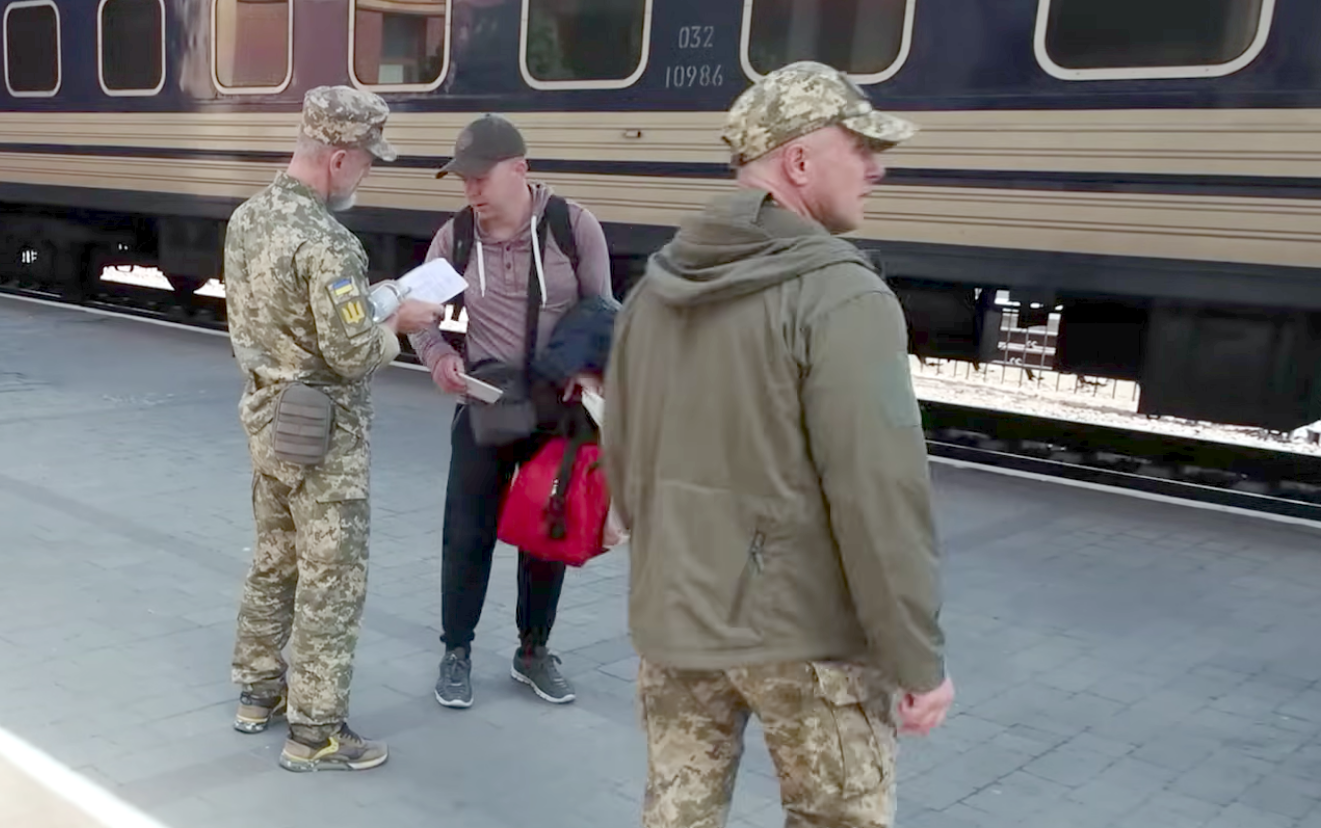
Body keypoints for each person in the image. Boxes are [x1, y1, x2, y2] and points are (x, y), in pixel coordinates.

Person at [602, 61, 956, 827]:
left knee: (678, 816)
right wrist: (916, 657)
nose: (877, 169)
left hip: (677, 619)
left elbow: (623, 461)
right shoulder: (842, 296)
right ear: (798, 161)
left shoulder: (653, 292)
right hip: (807, 637)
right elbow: (879, 496)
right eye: (859, 148)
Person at [225, 85, 444, 773]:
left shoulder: (247, 218)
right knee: (331, 579)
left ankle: (257, 692)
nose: (366, 175)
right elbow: (352, 355)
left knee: (272, 558)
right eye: (368, 162)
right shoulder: (327, 241)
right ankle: (316, 730)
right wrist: (397, 324)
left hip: (267, 420)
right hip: (324, 438)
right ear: (340, 157)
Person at [411, 114, 614, 710]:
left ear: (520, 169)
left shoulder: (573, 227)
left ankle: (533, 651)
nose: (471, 189)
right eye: (463, 179)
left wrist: (591, 369)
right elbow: (417, 314)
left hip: (558, 411)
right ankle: (456, 652)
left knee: (546, 534)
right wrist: (439, 358)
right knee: (465, 534)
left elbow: (603, 312)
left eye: (480, 176)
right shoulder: (455, 237)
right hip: (485, 407)